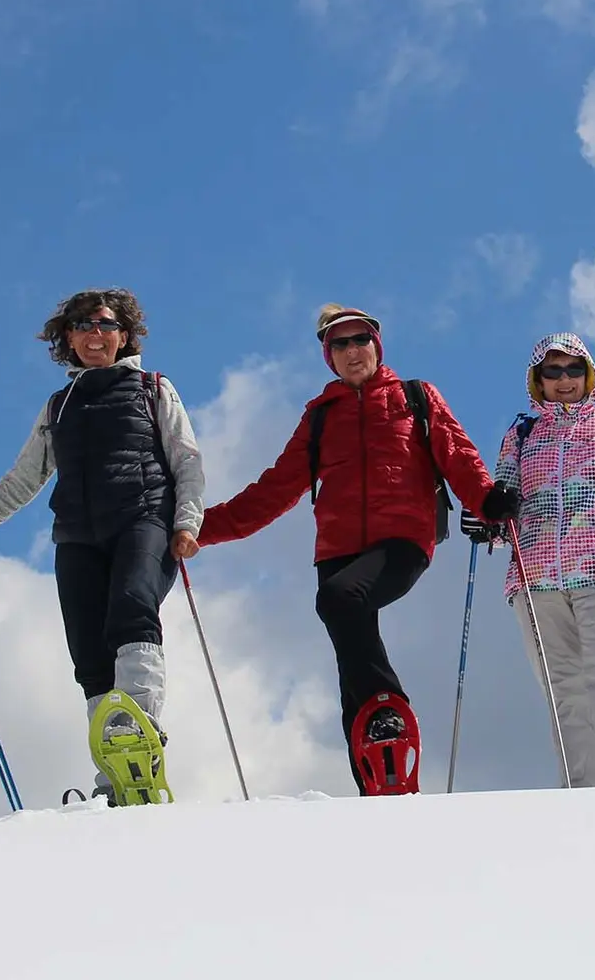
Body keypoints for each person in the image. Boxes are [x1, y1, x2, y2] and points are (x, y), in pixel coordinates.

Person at [195, 304, 511, 792]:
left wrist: (488, 500)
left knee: (341, 600)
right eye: (339, 344)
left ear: (376, 345)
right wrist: (198, 528)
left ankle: (390, 710)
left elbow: (458, 455)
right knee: (349, 666)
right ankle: (377, 785)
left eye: (359, 340)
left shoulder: (414, 397)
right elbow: (272, 491)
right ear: (329, 356)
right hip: (337, 549)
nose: (351, 351)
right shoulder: (320, 419)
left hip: (403, 540)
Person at [0, 288, 204, 803]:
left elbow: (186, 460)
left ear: (123, 335)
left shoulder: (152, 388)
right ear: (68, 340)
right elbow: (19, 484)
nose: (93, 334)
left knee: (131, 611)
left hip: (143, 520)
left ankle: (139, 733)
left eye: (104, 324)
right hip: (77, 535)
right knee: (89, 653)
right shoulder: (60, 405)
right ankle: (114, 774)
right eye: (81, 326)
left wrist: (187, 522)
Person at [461, 332, 595, 786]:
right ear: (537, 380)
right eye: (552, 371)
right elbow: (505, 507)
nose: (564, 380)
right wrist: (488, 521)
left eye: (573, 370)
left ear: (588, 375)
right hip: (536, 576)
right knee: (564, 689)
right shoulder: (521, 435)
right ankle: (582, 788)